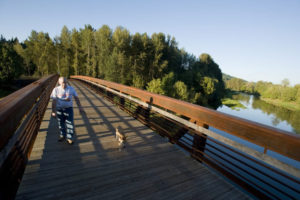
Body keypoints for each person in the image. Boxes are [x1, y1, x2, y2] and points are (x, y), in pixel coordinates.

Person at [51, 77, 83, 144]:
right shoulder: (56, 90)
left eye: (65, 82)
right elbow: (54, 101)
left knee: (70, 124)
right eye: (62, 83)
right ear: (59, 83)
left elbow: (76, 98)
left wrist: (80, 107)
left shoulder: (71, 89)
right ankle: (62, 135)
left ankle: (69, 138)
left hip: (69, 109)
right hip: (59, 109)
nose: (64, 84)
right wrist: (53, 111)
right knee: (61, 123)